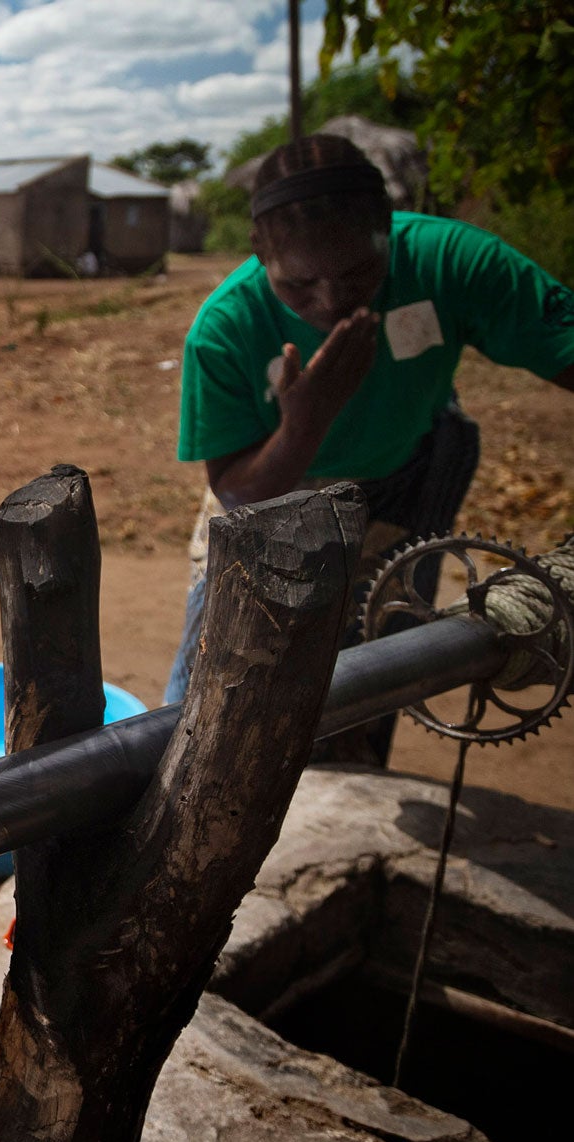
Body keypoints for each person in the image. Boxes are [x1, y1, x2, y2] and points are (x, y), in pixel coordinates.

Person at [166, 135, 574, 731]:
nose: (331, 302)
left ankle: (354, 768)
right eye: (298, 286)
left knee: (374, 675)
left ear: (390, 225)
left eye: (359, 272)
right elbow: (237, 492)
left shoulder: (450, 263)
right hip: (270, 498)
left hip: (403, 476)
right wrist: (306, 423)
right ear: (258, 249)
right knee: (215, 692)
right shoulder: (225, 329)